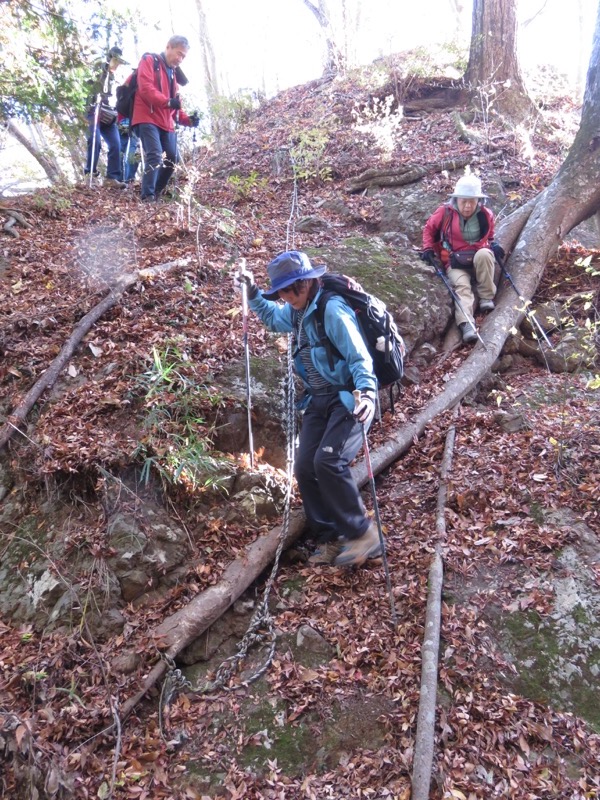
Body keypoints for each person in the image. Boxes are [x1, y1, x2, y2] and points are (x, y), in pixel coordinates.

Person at [235, 251, 384, 568]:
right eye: (283, 292)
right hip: (318, 399)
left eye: (294, 289)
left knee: (328, 461)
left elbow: (359, 357)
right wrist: (254, 295)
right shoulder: (297, 310)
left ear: (309, 281)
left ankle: (364, 534)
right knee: (305, 467)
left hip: (349, 398)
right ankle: (329, 538)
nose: (289, 297)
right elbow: (275, 320)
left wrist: (368, 394)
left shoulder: (332, 310)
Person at [421, 174, 505, 344]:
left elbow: (489, 236)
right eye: (463, 201)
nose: (467, 206)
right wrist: (428, 248)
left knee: (485, 254)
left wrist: (493, 244)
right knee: (462, 288)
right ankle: (466, 324)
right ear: (456, 199)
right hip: (454, 262)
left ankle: (486, 297)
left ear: (478, 201)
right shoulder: (444, 212)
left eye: (472, 201)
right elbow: (429, 230)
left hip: (478, 258)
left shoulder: (485, 214)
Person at [131, 35, 200, 202]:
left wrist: (188, 120)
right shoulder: (149, 60)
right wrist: (168, 102)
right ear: (168, 47)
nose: (180, 59)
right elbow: (145, 88)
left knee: (172, 157)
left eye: (183, 56)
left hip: (165, 122)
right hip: (146, 116)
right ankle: (147, 196)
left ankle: (156, 192)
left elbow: (176, 109)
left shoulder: (174, 76)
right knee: (154, 154)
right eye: (179, 53)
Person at [84, 46, 127, 188]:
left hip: (109, 115)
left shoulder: (116, 77)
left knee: (116, 144)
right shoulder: (100, 69)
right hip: (94, 110)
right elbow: (91, 85)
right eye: (116, 61)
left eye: (119, 62)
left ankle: (111, 178)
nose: (117, 65)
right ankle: (90, 174)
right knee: (94, 140)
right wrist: (106, 68)